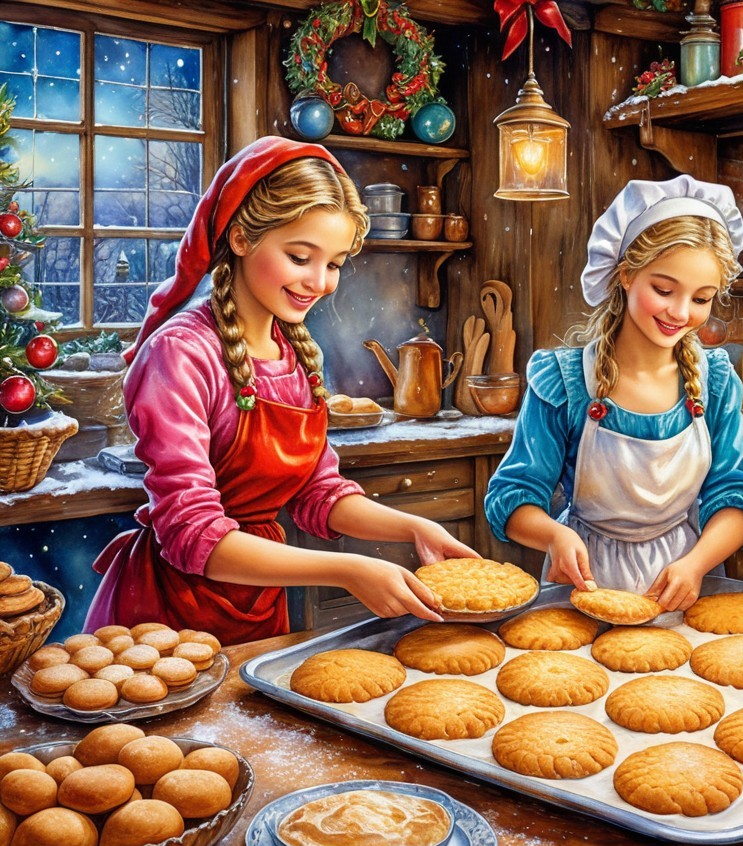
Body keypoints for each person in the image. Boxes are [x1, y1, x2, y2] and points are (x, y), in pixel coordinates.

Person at [85, 136, 476, 644]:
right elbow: (190, 532)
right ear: (241, 238)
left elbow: (319, 492)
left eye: (334, 264)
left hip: (259, 606)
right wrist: (347, 570)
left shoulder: (295, 352)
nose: (319, 281)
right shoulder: (180, 354)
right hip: (163, 622)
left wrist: (413, 527)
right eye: (299, 256)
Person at [484, 175, 743, 612]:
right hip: (585, 584)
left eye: (701, 298)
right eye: (664, 290)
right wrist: (554, 535)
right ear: (626, 273)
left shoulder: (716, 381)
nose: (680, 312)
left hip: (686, 585)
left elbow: (735, 495)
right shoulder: (564, 380)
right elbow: (512, 495)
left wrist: (695, 564)